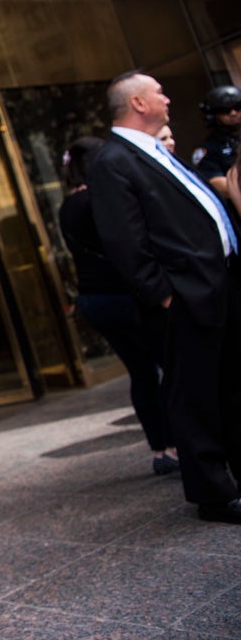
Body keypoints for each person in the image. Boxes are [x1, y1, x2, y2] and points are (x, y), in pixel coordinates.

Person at [86, 71, 241, 524]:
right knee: (194, 398)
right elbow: (124, 241)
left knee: (231, 388)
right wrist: (166, 296)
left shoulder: (155, 151)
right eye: (159, 92)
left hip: (219, 285)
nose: (168, 98)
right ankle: (214, 495)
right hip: (186, 296)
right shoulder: (113, 160)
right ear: (137, 102)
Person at [57, 137, 177, 475]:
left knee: (141, 373)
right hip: (123, 295)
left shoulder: (68, 205)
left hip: (95, 299)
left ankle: (162, 448)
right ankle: (180, 442)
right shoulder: (98, 200)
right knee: (169, 363)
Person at [190, 83, 241, 202]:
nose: (233, 113)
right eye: (225, 110)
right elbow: (216, 183)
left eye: (238, 107)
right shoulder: (208, 148)